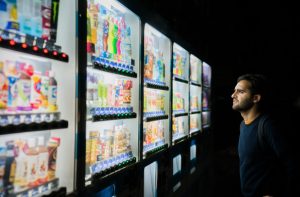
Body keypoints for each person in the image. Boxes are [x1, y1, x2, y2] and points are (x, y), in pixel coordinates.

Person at [231, 73, 298, 197]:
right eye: (234, 91)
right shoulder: (243, 124)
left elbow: (293, 165)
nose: (233, 95)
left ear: (255, 98)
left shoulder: (268, 126)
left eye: (240, 92)